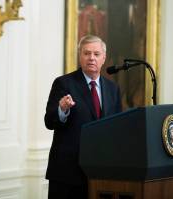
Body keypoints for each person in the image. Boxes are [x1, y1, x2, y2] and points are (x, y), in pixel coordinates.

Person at [44, 35, 122, 199]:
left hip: (101, 171)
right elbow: (49, 121)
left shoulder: (112, 89)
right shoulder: (64, 83)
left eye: (96, 54)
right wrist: (62, 110)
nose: (91, 58)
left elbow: (117, 128)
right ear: (80, 56)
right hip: (68, 173)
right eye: (87, 53)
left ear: (103, 58)